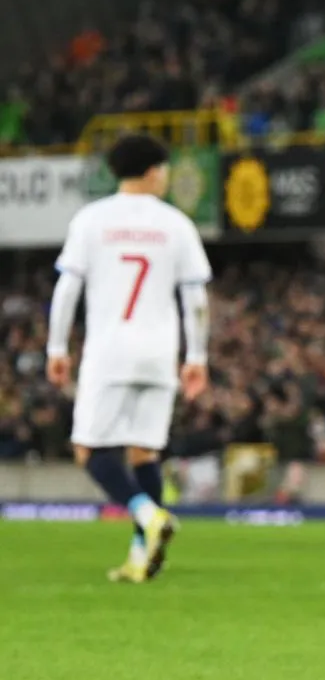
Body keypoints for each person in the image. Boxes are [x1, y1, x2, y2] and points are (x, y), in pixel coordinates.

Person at [46, 133, 211, 582]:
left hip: (109, 351)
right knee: (144, 452)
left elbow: (68, 288)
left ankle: (147, 515)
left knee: (89, 450)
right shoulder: (176, 223)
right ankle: (141, 555)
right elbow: (195, 297)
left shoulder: (92, 219)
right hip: (160, 353)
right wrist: (197, 356)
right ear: (154, 171)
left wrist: (57, 348)